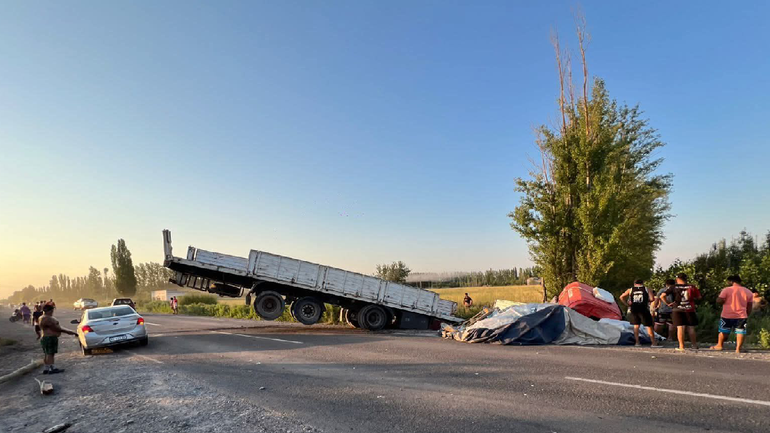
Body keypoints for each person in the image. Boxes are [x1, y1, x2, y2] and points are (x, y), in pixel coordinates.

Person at [711, 275, 753, 353]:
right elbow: (749, 305)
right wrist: (747, 314)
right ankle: (738, 349)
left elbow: (720, 300)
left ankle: (719, 345)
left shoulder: (726, 290)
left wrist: (719, 299)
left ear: (731, 281)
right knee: (740, 331)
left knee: (723, 331)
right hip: (741, 315)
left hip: (727, 314)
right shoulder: (748, 291)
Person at [661, 273, 702, 351]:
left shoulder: (673, 287)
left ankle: (681, 346)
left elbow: (662, 295)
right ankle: (694, 345)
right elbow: (699, 297)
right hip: (689, 309)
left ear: (677, 279)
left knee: (680, 327)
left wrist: (668, 303)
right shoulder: (692, 287)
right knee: (691, 327)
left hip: (677, 309)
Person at [38, 304, 78, 374]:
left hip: (44, 337)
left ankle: (46, 368)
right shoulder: (48, 319)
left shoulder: (41, 318)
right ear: (49, 311)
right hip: (50, 337)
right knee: (51, 353)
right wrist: (69, 332)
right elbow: (57, 328)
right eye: (52, 310)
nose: (52, 312)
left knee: (47, 353)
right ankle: (52, 368)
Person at [619, 279, 659, 347]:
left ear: (634, 283)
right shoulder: (647, 289)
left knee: (636, 326)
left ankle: (637, 342)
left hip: (634, 309)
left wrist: (627, 304)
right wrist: (646, 300)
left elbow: (621, 297)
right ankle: (653, 343)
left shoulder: (630, 289)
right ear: (642, 283)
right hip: (643, 309)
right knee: (648, 326)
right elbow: (652, 299)